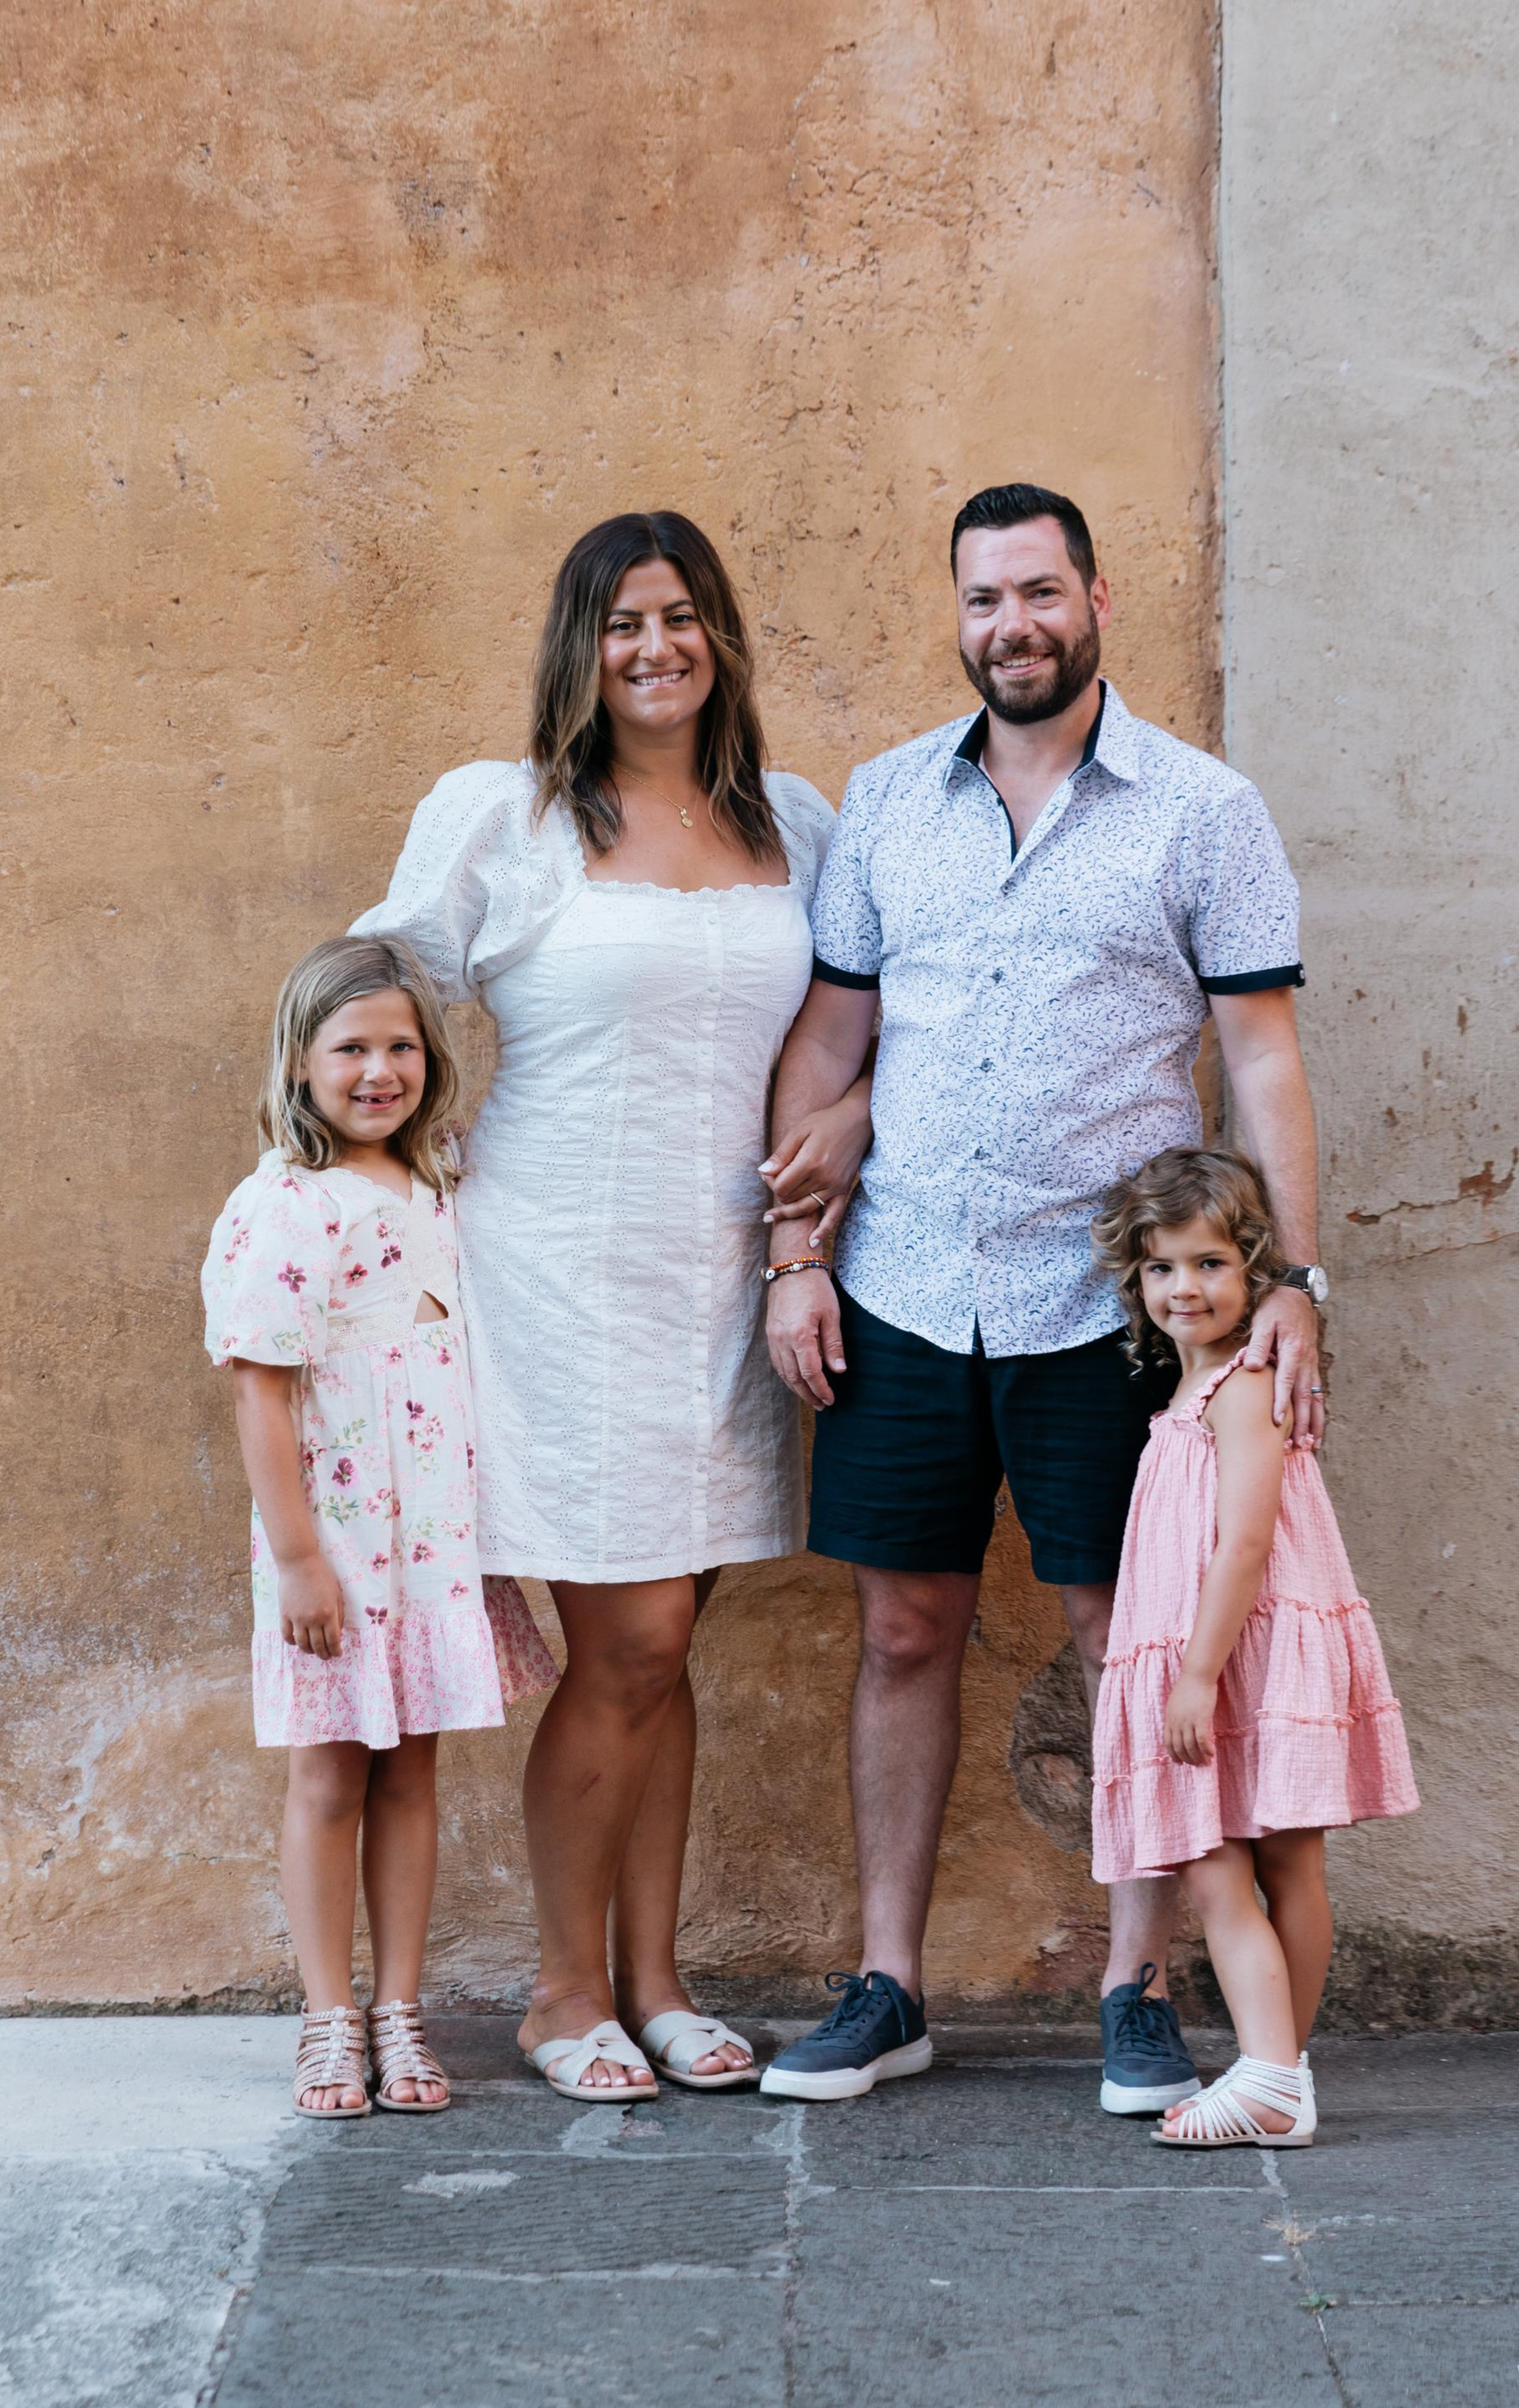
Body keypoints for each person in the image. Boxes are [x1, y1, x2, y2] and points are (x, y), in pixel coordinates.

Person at [755, 481, 1331, 2109]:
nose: (1011, 624)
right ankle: (887, 1984)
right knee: (902, 1624)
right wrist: (796, 1254)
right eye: (982, 599)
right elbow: (831, 1042)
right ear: (958, 617)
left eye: (1038, 593)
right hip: (909, 1288)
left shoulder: (1203, 811)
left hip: (1114, 1312)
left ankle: (1134, 1985)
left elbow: (1262, 1055)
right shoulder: (884, 803)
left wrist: (1293, 1280)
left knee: (1121, 1640)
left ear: (1095, 598)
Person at [354, 511, 870, 2102]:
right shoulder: (502, 817)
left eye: (681, 617)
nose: (655, 648)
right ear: (579, 649)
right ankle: (560, 1990)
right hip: (556, 1272)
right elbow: (373, 988)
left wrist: (843, 1133)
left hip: (733, 1280)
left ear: (720, 634)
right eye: (621, 623)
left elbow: (858, 1019)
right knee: (629, 1634)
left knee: (668, 1644)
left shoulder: (794, 817)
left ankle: (655, 1978)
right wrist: (385, 1177)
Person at [200, 933, 556, 2119]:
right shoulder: (283, 1208)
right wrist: (299, 1558)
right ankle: (326, 2016)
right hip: (340, 1551)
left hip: (436, 1546)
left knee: (413, 1775)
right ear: (300, 1064)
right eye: (350, 1047)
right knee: (329, 1779)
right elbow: (260, 1387)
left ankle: (401, 2011)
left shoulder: (440, 1185)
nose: (379, 1069)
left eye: (401, 1044)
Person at [1089, 1145, 1416, 2148]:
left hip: (1232, 1656)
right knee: (1278, 1865)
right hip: (1231, 1653)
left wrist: (1192, 1674)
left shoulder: (1240, 1387)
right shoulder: (1192, 1395)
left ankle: (1273, 2076)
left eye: (1209, 1264)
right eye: (1161, 1268)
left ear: (1256, 1269)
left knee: (1224, 1866)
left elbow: (1247, 1540)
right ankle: (1279, 2071)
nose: (1183, 1287)